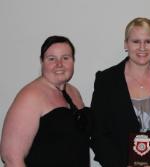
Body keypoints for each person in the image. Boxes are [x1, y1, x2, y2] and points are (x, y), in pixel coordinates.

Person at [90, 17, 150, 167]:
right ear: (126, 44)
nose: (142, 47)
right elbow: (98, 133)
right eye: (135, 41)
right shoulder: (106, 81)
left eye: (148, 41)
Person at [0, 35, 91, 167]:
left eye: (65, 58)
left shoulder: (73, 92)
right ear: (42, 61)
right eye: (51, 59)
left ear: (73, 61)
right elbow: (11, 158)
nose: (59, 64)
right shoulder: (30, 96)